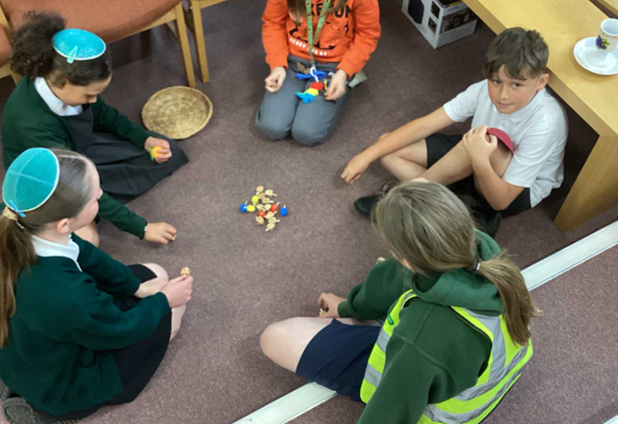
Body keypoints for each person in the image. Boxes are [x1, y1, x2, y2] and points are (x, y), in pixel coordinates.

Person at [261, 181, 539, 424]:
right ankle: (362, 320)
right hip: (468, 375)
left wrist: (350, 312)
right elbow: (389, 281)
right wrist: (346, 307)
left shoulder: (421, 339)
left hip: (435, 407)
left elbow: (388, 416)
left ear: (406, 260)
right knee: (386, 294)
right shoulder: (483, 251)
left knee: (274, 337)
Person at [0, 148, 193, 424]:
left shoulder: (21, 222)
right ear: (65, 223)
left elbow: (85, 253)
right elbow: (119, 331)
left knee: (154, 274)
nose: (101, 194)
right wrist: (164, 301)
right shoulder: (64, 293)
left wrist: (137, 289)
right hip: (62, 387)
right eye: (95, 195)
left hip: (36, 343)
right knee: (174, 310)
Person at [342, 28, 568, 235]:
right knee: (388, 148)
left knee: (487, 141)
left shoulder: (546, 123)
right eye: (496, 81)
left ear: (541, 82)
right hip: (472, 150)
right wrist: (367, 155)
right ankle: (454, 209)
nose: (502, 95)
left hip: (514, 188)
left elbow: (502, 201)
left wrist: (479, 159)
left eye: (516, 85)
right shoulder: (483, 90)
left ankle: (414, 197)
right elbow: (426, 124)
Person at [2, 11, 189, 246]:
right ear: (63, 82)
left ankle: (97, 202)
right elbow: (70, 179)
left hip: (74, 149)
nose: (93, 101)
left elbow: (103, 114)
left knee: (167, 152)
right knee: (88, 240)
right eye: (89, 95)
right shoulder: (33, 124)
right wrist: (141, 227)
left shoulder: (66, 87)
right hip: (52, 177)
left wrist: (143, 139)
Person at [255, 0, 381, 146]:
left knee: (306, 134)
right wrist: (277, 64)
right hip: (292, 61)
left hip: (333, 66)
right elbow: (273, 23)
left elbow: (367, 34)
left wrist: (344, 71)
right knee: (271, 128)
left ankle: (348, 81)